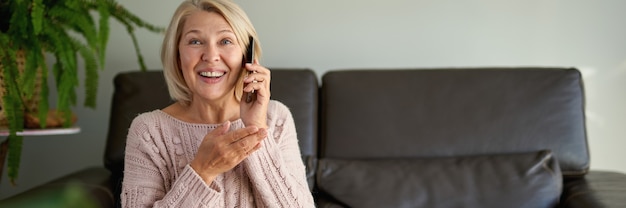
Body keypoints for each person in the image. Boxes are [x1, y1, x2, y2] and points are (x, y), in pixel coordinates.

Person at [121, 0, 315, 207]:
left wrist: (256, 128)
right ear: (177, 55)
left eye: (225, 41)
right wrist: (202, 170)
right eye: (195, 42)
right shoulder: (148, 131)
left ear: (246, 55)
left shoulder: (276, 118)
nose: (211, 56)